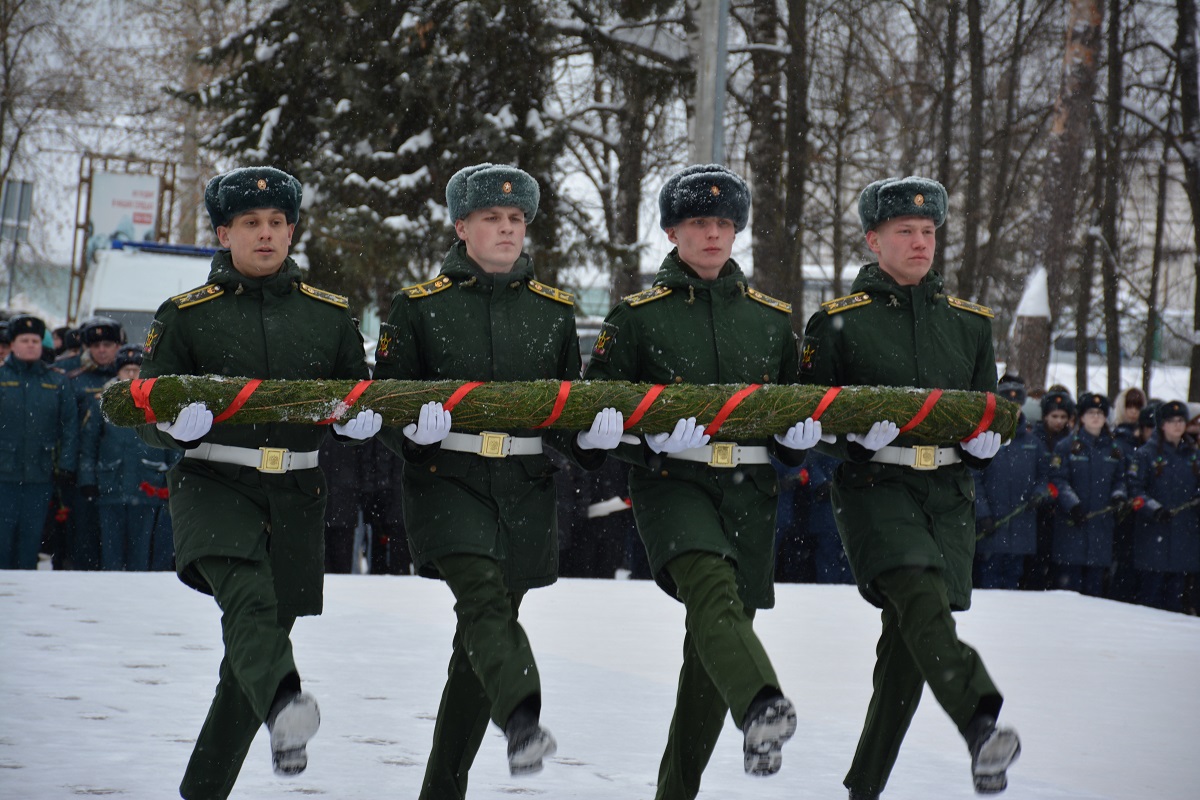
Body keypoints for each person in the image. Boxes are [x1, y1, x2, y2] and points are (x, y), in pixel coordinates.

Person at [373, 163, 618, 797]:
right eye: (491, 218)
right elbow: (384, 404)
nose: (507, 229)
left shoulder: (554, 311)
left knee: (478, 643)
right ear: (462, 227)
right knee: (482, 599)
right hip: (446, 478)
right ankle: (524, 714)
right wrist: (411, 432)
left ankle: (441, 789)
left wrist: (591, 439)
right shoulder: (417, 307)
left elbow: (563, 412)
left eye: (515, 220)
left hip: (523, 490)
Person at [136, 166, 377, 799]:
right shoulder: (185, 316)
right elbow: (143, 411)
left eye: (277, 223)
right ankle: (285, 701)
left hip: (295, 495)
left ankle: (207, 786)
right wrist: (173, 425)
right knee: (250, 601)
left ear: (292, 230)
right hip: (214, 485)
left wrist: (359, 422)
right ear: (223, 232)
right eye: (250, 223)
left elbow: (354, 403)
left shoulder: (329, 317)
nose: (265, 234)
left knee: (251, 644)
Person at [584, 164, 822, 799]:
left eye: (723, 223)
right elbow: (599, 412)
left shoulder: (771, 320)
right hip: (672, 487)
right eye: (698, 223)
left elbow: (791, 412)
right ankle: (763, 705)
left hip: (748, 493)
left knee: (709, 651)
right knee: (713, 593)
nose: (712, 234)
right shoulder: (635, 317)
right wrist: (645, 439)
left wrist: (794, 445)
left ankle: (677, 790)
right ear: (671, 232)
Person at [798, 176, 1019, 798]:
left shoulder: (970, 326)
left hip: (947, 497)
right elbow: (810, 417)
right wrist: (851, 441)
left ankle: (863, 787)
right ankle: (980, 722)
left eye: (927, 232)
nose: (920, 242)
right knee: (920, 599)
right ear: (874, 240)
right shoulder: (838, 324)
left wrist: (983, 445)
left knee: (908, 650)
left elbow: (984, 408)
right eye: (904, 232)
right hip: (876, 488)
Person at [79, 344, 178, 571]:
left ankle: (137, 597)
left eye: (137, 369)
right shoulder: (101, 403)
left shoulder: (159, 404)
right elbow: (89, 445)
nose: (132, 374)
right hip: (110, 484)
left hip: (148, 485)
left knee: (141, 552)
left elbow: (173, 446)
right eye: (126, 370)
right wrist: (88, 480)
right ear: (117, 372)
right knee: (111, 551)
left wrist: (172, 481)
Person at [0, 314, 79, 569]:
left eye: (35, 340)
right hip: (4, 474)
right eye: (24, 340)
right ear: (12, 344)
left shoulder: (56, 382)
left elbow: (69, 427)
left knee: (31, 539)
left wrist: (65, 465)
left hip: (41, 474)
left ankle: (25, 592)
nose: (31, 345)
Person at [973, 376, 1049, 591]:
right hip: (992, 529)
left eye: (1016, 405)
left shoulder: (1034, 443)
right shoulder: (985, 439)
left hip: (1021, 529)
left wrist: (1038, 494)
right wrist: (983, 514)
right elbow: (975, 479)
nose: (1012, 410)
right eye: (1007, 404)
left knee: (1014, 581)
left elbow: (1045, 475)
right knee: (989, 580)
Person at [1047, 393, 1127, 597]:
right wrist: (1072, 504)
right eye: (1091, 412)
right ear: (1081, 417)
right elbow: (1058, 479)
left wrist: (1119, 496)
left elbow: (1121, 479)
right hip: (1072, 528)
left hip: (1100, 529)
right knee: (1068, 591)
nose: (1096, 417)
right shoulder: (1066, 447)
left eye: (1100, 413)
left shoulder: (1114, 449)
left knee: (1095, 591)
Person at [1127, 400, 1200, 613]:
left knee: (1176, 600)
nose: (1177, 425)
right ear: (1162, 425)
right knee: (1151, 598)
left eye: (1181, 421)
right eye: (1171, 421)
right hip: (1154, 537)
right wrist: (1154, 509)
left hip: (1184, 537)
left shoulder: (1193, 456)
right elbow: (1135, 490)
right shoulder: (1145, 454)